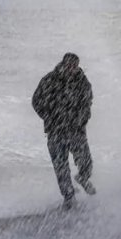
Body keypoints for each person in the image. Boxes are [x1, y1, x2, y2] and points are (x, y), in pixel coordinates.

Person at [32, 52, 96, 210]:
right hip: (55, 131)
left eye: (74, 66)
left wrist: (82, 119)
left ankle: (83, 178)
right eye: (68, 65)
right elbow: (36, 101)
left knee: (86, 161)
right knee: (61, 167)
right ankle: (69, 197)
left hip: (76, 130)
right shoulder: (49, 79)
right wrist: (49, 117)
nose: (71, 69)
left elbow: (87, 103)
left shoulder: (82, 82)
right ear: (63, 64)